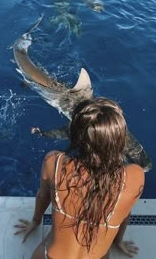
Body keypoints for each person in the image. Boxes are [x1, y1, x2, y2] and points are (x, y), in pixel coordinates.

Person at [14, 97, 145, 259]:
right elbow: (124, 213)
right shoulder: (135, 175)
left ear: (75, 135)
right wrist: (118, 242)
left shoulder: (54, 162)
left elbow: (43, 196)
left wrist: (35, 221)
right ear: (118, 140)